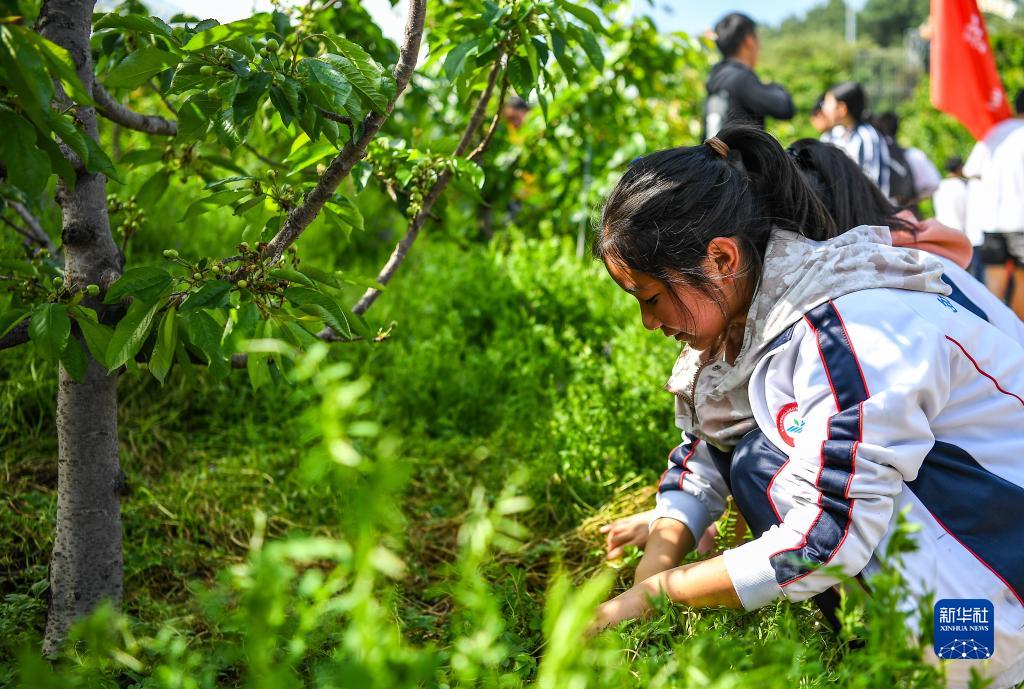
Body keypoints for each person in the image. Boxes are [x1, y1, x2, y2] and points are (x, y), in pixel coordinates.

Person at [588, 125, 1024, 689]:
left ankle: (961, 662)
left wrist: (657, 594)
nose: (649, 322)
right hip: (973, 553)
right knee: (754, 458)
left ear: (721, 258)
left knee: (768, 468)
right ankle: (893, 648)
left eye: (651, 297)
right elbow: (710, 445)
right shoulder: (769, 317)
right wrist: (647, 579)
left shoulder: (847, 334)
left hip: (1000, 594)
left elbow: (827, 536)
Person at [963, 91, 1024, 311]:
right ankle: (1019, 335)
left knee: (993, 285)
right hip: (1020, 221)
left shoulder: (995, 133)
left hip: (991, 221)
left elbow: (971, 171)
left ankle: (997, 331)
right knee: (1022, 281)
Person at [703, 12, 794, 138]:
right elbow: (784, 108)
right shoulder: (740, 78)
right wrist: (770, 86)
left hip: (714, 156)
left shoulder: (715, 76)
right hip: (738, 157)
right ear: (749, 40)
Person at [820, 82, 891, 198]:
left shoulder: (867, 137)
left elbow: (873, 184)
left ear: (842, 108)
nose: (823, 108)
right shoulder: (830, 136)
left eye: (827, 103)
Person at [873, 111, 942, 207]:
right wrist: (913, 199)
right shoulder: (911, 154)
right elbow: (933, 183)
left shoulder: (870, 155)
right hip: (906, 212)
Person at [933, 156, 985, 282]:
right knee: (970, 277)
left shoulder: (939, 186)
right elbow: (966, 213)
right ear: (960, 168)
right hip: (962, 236)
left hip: (942, 235)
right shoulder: (962, 187)